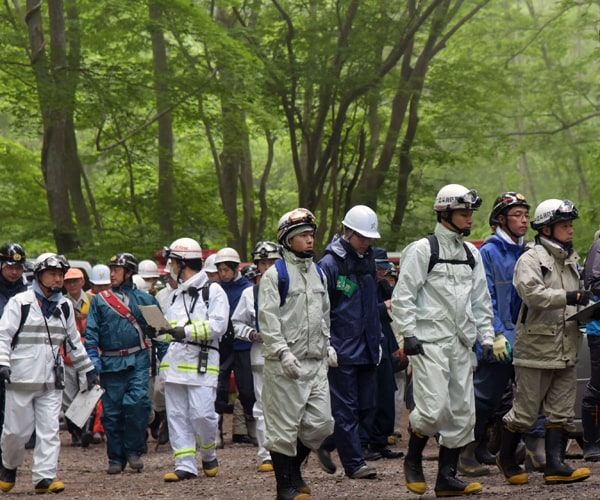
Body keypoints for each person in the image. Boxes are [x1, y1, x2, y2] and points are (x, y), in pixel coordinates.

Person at [391, 184, 496, 497]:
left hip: (461, 344)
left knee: (463, 412)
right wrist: (406, 335)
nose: (469, 220)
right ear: (446, 213)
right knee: (434, 409)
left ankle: (446, 479)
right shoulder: (423, 250)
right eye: (464, 214)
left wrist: (486, 339)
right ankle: (413, 459)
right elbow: (404, 296)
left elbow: (481, 301)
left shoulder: (471, 254)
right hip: (428, 342)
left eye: (470, 214)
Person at [498, 199, 591, 486]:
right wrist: (570, 297)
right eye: (564, 225)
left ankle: (555, 465)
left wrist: (586, 309)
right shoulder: (530, 258)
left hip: (567, 345)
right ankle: (506, 457)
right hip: (536, 349)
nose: (570, 230)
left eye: (571, 224)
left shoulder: (571, 259)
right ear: (547, 228)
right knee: (525, 413)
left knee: (561, 412)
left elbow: (574, 299)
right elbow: (533, 295)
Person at [458, 192, 545, 476]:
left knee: (531, 396)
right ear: (500, 220)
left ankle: (531, 450)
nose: (523, 220)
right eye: (517, 215)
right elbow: (485, 298)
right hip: (498, 339)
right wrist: (495, 334)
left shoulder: (529, 252)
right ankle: (466, 451)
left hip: (525, 337)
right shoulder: (488, 252)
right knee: (485, 397)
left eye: (525, 215)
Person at [0, 253, 97, 494]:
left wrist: (88, 369)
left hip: (53, 379)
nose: (57, 279)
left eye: (60, 275)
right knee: (16, 432)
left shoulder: (64, 306)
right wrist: (2, 363)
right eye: (52, 274)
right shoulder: (20, 302)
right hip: (21, 377)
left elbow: (73, 342)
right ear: (39, 275)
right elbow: (3, 336)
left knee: (50, 429)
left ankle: (44, 477)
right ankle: (8, 465)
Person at [258, 208, 334, 500]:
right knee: (283, 428)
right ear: (288, 240)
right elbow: (268, 318)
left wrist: (328, 345)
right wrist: (281, 352)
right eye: (303, 235)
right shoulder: (274, 275)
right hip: (284, 365)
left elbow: (324, 313)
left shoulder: (318, 272)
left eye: (311, 234)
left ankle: (295, 471)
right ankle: (285, 487)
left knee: (321, 424)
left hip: (315, 363)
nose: (310, 239)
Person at [146, 238, 229, 482]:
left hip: (202, 363)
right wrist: (158, 333)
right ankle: (184, 464)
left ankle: (208, 451)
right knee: (177, 416)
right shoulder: (174, 295)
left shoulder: (213, 291)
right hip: (174, 366)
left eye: (172, 262)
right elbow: (171, 333)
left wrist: (187, 331)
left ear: (182, 263)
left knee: (203, 414)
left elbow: (218, 326)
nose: (169, 267)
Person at [84, 253, 166, 475]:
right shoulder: (100, 301)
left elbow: (161, 334)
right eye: (111, 269)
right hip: (109, 363)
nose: (112, 273)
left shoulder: (146, 299)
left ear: (129, 272)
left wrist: (165, 362)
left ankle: (134, 451)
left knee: (137, 405)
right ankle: (115, 457)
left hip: (138, 360)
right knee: (111, 413)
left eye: (117, 269)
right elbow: (90, 334)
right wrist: (92, 362)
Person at [317, 205, 383, 480]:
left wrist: (377, 339)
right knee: (346, 409)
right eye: (362, 237)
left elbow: (369, 304)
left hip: (367, 345)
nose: (366, 242)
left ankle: (326, 443)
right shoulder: (329, 264)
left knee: (368, 405)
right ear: (348, 232)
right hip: (341, 349)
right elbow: (319, 308)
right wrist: (327, 344)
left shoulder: (369, 260)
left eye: (369, 238)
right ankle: (355, 464)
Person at [231, 241, 282, 473]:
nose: (268, 266)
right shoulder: (248, 294)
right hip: (260, 357)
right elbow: (237, 323)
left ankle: (289, 450)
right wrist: (252, 334)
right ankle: (266, 454)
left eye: (272, 262)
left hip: (290, 354)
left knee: (291, 406)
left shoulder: (291, 288)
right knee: (262, 407)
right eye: (263, 262)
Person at [363, 247, 405, 460]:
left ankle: (380, 441)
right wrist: (384, 306)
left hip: (385, 342)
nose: (381, 272)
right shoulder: (363, 283)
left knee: (387, 393)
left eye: (383, 268)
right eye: (378, 267)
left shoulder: (382, 285)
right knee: (370, 396)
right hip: (367, 345)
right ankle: (364, 443)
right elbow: (361, 312)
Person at [213, 247, 256, 445]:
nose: (223, 274)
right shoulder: (216, 289)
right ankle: (216, 432)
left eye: (226, 270)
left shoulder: (248, 289)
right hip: (222, 346)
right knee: (219, 386)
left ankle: (252, 424)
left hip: (242, 345)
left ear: (235, 268)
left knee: (247, 390)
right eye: (220, 270)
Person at [62, 267, 100, 448]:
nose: (72, 284)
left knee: (88, 391)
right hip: (68, 355)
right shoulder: (61, 303)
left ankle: (86, 429)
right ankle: (75, 432)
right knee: (68, 395)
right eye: (68, 281)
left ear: (82, 281)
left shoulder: (94, 301)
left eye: (75, 280)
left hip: (88, 353)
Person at [582, 230, 600, 461]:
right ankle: (591, 442)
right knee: (597, 387)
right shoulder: (599, 247)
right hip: (599, 330)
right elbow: (593, 283)